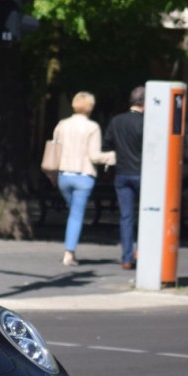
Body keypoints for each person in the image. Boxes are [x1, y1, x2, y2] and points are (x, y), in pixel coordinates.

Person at [52, 91, 116, 267]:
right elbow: (94, 156)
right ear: (90, 107)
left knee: (72, 211)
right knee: (76, 214)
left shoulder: (62, 125)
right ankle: (69, 253)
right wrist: (112, 156)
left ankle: (69, 250)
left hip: (64, 175)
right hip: (83, 176)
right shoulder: (92, 127)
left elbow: (54, 151)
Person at [103, 85, 146, 269]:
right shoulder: (145, 123)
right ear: (144, 102)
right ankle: (142, 251)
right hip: (142, 173)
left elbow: (106, 145)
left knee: (126, 217)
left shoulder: (117, 121)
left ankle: (127, 257)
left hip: (122, 173)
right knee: (147, 215)